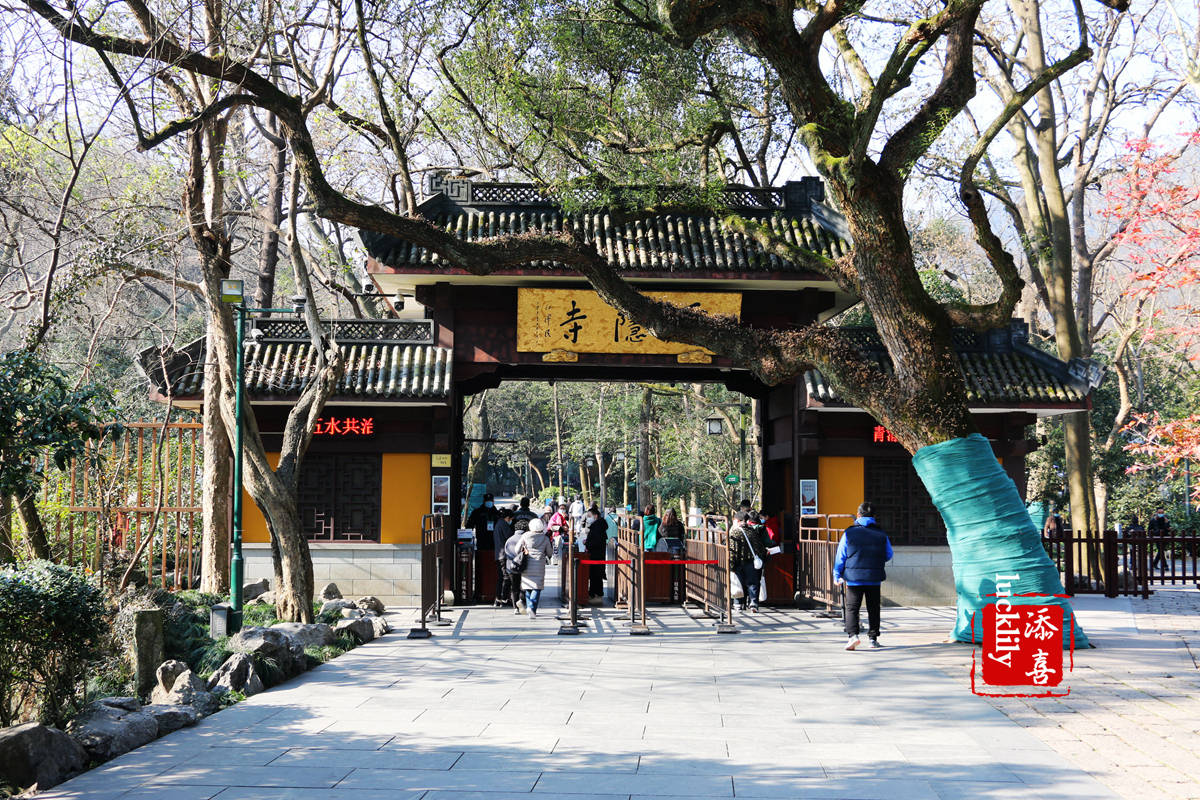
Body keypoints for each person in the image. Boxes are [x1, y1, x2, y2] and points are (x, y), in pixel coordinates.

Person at [833, 501, 894, 650]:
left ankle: (853, 636)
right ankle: (873, 639)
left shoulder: (849, 532)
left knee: (852, 607)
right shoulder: (881, 534)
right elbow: (889, 554)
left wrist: (837, 574)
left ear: (858, 515)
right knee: (873, 608)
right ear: (874, 516)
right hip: (874, 577)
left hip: (854, 579)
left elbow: (841, 556)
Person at [729, 511, 770, 612]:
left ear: (737, 520)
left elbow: (733, 550)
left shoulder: (735, 532)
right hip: (752, 562)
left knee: (738, 583)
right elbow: (759, 547)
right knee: (752, 583)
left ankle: (738, 604)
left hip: (739, 562)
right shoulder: (751, 531)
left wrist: (731, 564)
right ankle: (753, 604)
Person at [518, 518, 554, 618]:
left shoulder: (525, 536)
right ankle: (532, 608)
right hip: (539, 565)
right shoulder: (545, 538)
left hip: (527, 565)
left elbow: (517, 549)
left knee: (528, 586)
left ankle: (531, 609)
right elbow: (550, 553)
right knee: (536, 588)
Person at [584, 505, 609, 603]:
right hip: (597, 554)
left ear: (595, 516)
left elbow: (596, 541)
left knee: (596, 575)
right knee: (594, 575)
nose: (588, 518)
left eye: (589, 516)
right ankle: (593, 594)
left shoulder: (597, 526)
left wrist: (587, 543)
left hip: (596, 555)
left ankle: (597, 595)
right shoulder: (599, 525)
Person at [503, 518, 528, 613]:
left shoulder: (509, 540)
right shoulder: (526, 539)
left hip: (511, 566)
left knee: (514, 587)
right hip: (524, 566)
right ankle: (522, 602)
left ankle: (515, 607)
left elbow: (506, 552)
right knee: (524, 586)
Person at [492, 507, 515, 607]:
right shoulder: (504, 524)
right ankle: (503, 598)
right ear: (508, 518)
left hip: (499, 554)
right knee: (506, 577)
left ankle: (498, 599)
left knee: (501, 577)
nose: (511, 521)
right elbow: (510, 537)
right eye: (511, 519)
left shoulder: (498, 523)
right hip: (504, 554)